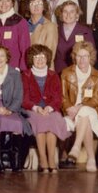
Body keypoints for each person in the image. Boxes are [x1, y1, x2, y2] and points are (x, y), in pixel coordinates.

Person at [21, 44, 69, 173]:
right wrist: (36, 108)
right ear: (32, 59)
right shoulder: (25, 75)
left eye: (42, 57)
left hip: (50, 109)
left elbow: (58, 98)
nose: (40, 60)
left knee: (52, 121)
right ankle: (43, 159)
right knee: (40, 121)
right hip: (32, 109)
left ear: (47, 58)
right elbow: (24, 99)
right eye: (36, 57)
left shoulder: (53, 75)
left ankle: (51, 160)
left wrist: (49, 108)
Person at [61, 41, 98, 172]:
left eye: (85, 56)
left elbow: (96, 100)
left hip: (93, 110)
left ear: (90, 57)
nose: (82, 59)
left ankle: (76, 147)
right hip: (71, 113)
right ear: (74, 57)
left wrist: (78, 107)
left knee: (85, 111)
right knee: (84, 118)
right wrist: (69, 108)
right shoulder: (66, 73)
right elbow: (62, 97)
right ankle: (91, 158)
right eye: (79, 56)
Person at [0, 45, 29, 171]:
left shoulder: (15, 73)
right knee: (0, 120)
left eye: (1, 56)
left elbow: (18, 96)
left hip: (11, 108)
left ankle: (16, 161)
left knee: (18, 122)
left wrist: (11, 109)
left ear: (7, 57)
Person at [0, 0, 31, 72]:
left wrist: (22, 69)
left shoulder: (20, 22)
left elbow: (25, 48)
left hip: (14, 68)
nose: (4, 4)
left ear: (12, 3)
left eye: (7, 0)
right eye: (0, 0)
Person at [53, 1, 96, 73]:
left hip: (79, 71)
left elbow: (92, 54)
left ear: (77, 14)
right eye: (65, 11)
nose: (68, 15)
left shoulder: (85, 31)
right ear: (61, 14)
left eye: (72, 12)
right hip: (58, 71)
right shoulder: (55, 30)